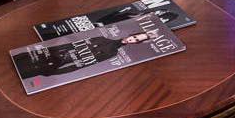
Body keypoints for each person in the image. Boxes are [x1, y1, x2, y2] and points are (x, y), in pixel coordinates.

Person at [13, 31, 155, 80]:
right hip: (48, 52)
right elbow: (66, 43)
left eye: (136, 40)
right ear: (132, 34)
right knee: (17, 59)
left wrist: (56, 72)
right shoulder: (102, 38)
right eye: (135, 36)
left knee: (22, 74)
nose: (133, 39)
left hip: (53, 66)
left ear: (135, 44)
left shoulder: (112, 53)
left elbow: (83, 64)